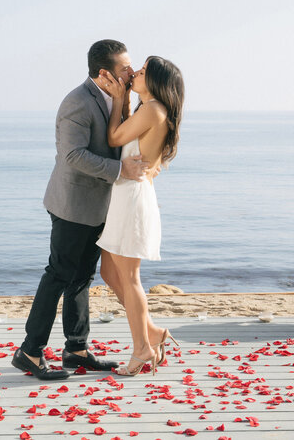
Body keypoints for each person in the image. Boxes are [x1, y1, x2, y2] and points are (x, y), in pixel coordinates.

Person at [12, 40, 149, 380]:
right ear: (104, 74)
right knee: (58, 274)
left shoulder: (116, 98)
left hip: (98, 206)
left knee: (82, 279)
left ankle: (76, 348)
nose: (130, 73)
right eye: (124, 69)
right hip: (72, 205)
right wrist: (121, 171)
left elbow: (117, 137)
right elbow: (73, 156)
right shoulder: (77, 102)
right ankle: (29, 351)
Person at [97, 56, 185, 376]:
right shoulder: (151, 110)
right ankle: (152, 332)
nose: (136, 73)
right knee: (109, 271)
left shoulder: (152, 109)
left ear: (158, 81)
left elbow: (114, 138)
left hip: (130, 198)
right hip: (126, 195)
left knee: (130, 277)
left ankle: (141, 349)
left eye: (144, 72)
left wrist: (120, 98)